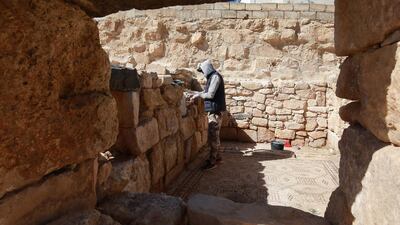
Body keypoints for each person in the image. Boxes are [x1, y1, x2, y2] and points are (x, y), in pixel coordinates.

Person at [191, 59, 226, 170]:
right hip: (214, 111)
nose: (203, 73)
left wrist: (198, 95)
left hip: (215, 112)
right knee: (215, 136)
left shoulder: (215, 77)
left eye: (202, 70)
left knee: (213, 137)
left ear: (206, 68)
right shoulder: (213, 77)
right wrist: (198, 94)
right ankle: (217, 157)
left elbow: (210, 95)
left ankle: (212, 161)